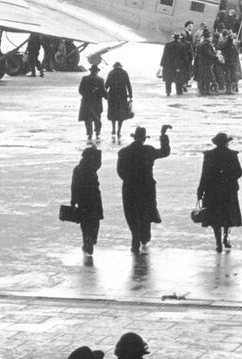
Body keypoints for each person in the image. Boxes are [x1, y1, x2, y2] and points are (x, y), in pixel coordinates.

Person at [116, 125, 172, 254]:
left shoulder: (123, 152)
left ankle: (135, 236)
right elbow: (165, 152)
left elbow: (120, 171)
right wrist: (163, 134)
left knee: (131, 213)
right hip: (146, 186)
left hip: (129, 187)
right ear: (144, 138)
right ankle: (144, 237)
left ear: (134, 137)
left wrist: (129, 180)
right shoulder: (149, 150)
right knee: (145, 212)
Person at [196, 132, 242, 252]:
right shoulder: (232, 154)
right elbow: (239, 172)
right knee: (227, 215)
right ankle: (226, 237)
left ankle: (218, 243)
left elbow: (204, 174)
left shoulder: (209, 155)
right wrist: (228, 177)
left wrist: (200, 190)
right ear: (227, 142)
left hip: (212, 190)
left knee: (215, 217)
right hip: (229, 189)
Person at [70, 145, 104, 264]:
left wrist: (73, 201)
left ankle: (87, 242)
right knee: (95, 221)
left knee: (85, 223)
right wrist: (98, 151)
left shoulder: (78, 169)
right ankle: (91, 240)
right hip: (94, 198)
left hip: (82, 199)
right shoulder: (92, 168)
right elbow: (99, 163)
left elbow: (74, 185)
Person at [77, 64, 107, 141]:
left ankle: (89, 134)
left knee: (88, 119)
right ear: (97, 71)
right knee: (97, 118)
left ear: (90, 71)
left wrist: (87, 94)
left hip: (86, 102)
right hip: (97, 103)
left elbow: (80, 91)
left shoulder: (85, 79)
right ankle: (97, 132)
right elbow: (104, 92)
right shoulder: (100, 80)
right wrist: (107, 96)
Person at [105, 61, 133, 139]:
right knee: (121, 114)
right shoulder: (124, 73)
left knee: (113, 113)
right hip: (122, 96)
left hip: (112, 96)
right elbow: (128, 85)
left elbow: (106, 85)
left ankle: (113, 128)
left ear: (114, 66)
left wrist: (104, 94)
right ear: (120, 66)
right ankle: (119, 130)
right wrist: (131, 96)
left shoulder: (111, 73)